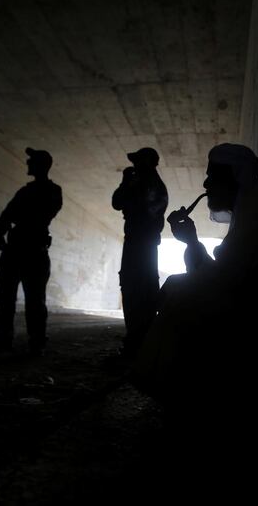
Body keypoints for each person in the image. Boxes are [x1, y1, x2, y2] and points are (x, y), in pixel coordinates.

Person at [132, 143, 258, 405]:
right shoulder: (250, 209)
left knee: (178, 290)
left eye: (212, 175)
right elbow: (225, 278)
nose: (205, 184)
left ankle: (176, 390)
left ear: (235, 176)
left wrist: (179, 280)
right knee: (180, 288)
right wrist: (191, 242)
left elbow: (223, 281)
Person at [0, 147, 62, 355]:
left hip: (30, 249)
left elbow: (30, 215)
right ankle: (6, 338)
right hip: (22, 249)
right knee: (6, 297)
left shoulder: (49, 191)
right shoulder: (30, 191)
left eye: (31, 162)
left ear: (40, 165)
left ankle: (35, 341)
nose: (27, 165)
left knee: (33, 300)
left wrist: (5, 229)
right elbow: (7, 215)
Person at [111, 147, 168, 358]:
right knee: (138, 287)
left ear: (147, 163)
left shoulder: (148, 184)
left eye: (137, 162)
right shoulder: (148, 183)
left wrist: (126, 182)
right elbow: (119, 202)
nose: (134, 166)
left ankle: (138, 342)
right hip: (140, 242)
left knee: (137, 288)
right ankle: (138, 340)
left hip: (140, 242)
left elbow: (118, 202)